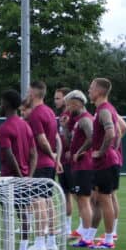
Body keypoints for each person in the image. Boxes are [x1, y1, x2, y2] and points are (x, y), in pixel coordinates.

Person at [0, 89, 37, 250]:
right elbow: (34, 153)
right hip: (24, 176)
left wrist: (20, 177)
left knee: (7, 212)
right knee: (23, 212)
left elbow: (8, 154)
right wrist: (29, 176)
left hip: (10, 178)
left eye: (1, 101)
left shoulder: (5, 128)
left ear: (6, 103)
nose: (0, 104)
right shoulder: (25, 124)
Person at [25, 80, 62, 250]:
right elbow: (55, 139)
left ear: (32, 94)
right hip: (48, 163)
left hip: (40, 163)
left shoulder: (36, 114)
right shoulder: (49, 111)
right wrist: (55, 158)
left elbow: (42, 139)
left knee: (38, 201)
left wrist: (51, 155)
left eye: (28, 92)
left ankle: (40, 242)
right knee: (48, 201)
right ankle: (52, 242)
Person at [88, 77, 121, 249]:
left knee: (105, 200)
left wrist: (102, 152)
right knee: (98, 200)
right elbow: (118, 132)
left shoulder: (104, 110)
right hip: (107, 161)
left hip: (105, 163)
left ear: (99, 91)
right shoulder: (106, 109)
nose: (89, 91)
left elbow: (111, 133)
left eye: (91, 88)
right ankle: (93, 236)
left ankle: (108, 240)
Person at [63, 90, 98, 248]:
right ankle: (85, 234)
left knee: (84, 201)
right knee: (82, 200)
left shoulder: (85, 120)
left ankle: (87, 236)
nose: (67, 108)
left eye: (69, 105)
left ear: (77, 103)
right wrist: (64, 127)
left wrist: (79, 152)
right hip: (79, 165)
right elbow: (71, 140)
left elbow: (93, 137)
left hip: (85, 165)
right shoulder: (77, 120)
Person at [54, 86, 78, 238]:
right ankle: (67, 227)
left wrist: (72, 149)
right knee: (65, 193)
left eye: (58, 98)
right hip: (62, 159)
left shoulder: (71, 115)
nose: (55, 101)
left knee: (78, 195)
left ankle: (84, 227)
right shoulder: (62, 114)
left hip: (71, 161)